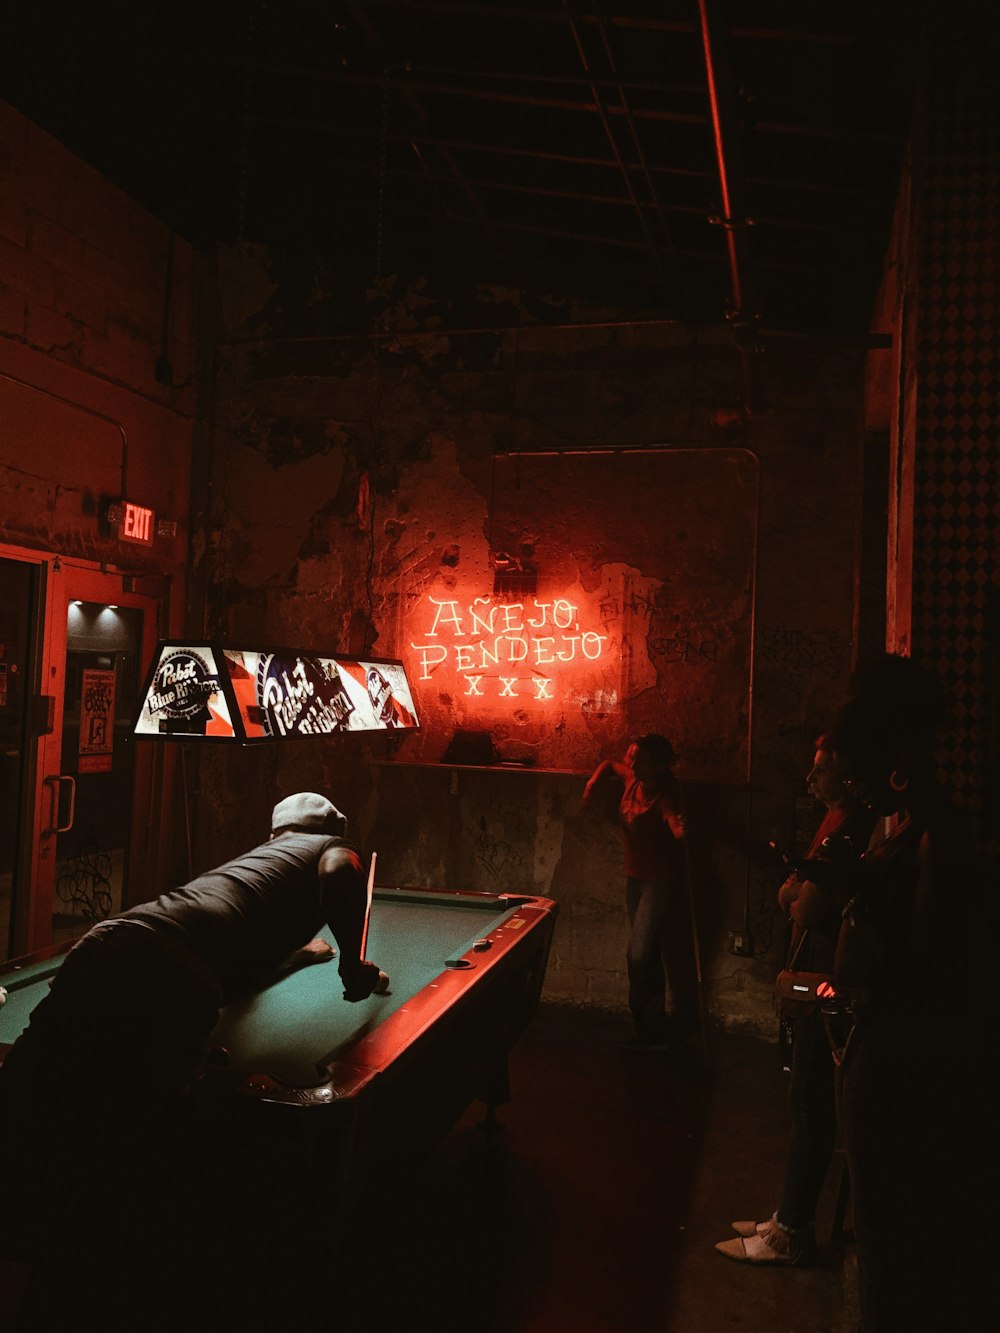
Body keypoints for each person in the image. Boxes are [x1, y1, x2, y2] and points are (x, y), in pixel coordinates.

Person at [0, 791, 389, 1330]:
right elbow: (340, 872)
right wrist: (352, 959)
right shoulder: (330, 847)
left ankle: (28, 1243)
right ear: (333, 828)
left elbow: (230, 960)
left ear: (275, 832)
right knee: (134, 1137)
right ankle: (102, 1282)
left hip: (106, 944)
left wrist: (299, 956)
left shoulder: (253, 867)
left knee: (28, 1087)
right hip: (169, 979)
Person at [825, 655, 992, 1330]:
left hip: (901, 1064)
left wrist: (857, 900)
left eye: (862, 768)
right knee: (882, 1232)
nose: (856, 787)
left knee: (896, 1244)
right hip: (885, 1054)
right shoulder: (914, 829)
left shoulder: (938, 839)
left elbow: (925, 966)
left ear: (895, 757)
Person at [715, 737, 875, 1266]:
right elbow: (800, 886)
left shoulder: (850, 827)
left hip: (827, 985)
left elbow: (804, 905)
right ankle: (786, 1214)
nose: (809, 779)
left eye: (821, 769)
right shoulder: (839, 821)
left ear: (848, 776)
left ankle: (790, 1231)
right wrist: (796, 888)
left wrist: (793, 891)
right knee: (803, 1103)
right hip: (819, 976)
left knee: (810, 1104)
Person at [582, 733, 696, 1049]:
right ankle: (651, 1025)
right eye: (633, 758)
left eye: (640, 759)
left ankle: (646, 1024)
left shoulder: (666, 796)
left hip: (660, 883)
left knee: (639, 954)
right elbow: (608, 765)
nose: (632, 763)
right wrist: (593, 782)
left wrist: (679, 829)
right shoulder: (633, 777)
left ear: (658, 766)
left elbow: (673, 821)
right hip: (634, 878)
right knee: (648, 953)